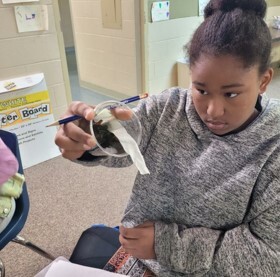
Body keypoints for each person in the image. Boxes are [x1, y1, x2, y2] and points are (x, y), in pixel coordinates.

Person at [55, 0, 280, 276]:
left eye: (231, 94)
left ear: (263, 81)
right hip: (143, 257)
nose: (212, 111)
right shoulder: (167, 107)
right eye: (201, 89)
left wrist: (165, 244)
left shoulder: (274, 145)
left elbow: (268, 255)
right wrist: (88, 137)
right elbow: (125, 145)